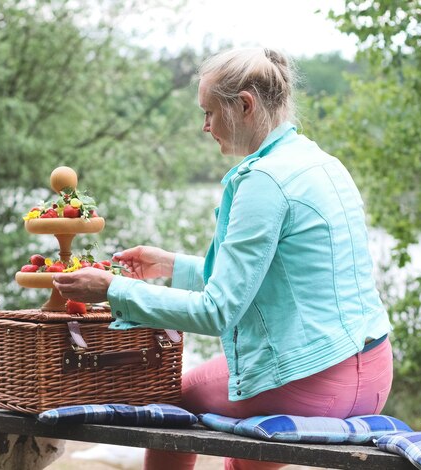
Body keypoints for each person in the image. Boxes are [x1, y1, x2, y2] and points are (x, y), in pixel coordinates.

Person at [53, 47, 393, 470]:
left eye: (209, 112)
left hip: (316, 381)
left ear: (245, 105)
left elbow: (218, 311)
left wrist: (114, 289)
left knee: (171, 398)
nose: (205, 126)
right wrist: (172, 266)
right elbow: (269, 282)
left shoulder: (264, 180)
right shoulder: (319, 162)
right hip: (375, 372)